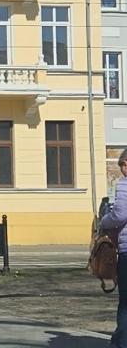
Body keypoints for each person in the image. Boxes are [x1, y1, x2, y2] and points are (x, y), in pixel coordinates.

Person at [100, 148, 127, 346]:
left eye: (124, 165)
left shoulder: (124, 185)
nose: (124, 169)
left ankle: (120, 342)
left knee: (126, 302)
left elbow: (119, 215)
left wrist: (103, 222)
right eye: (122, 165)